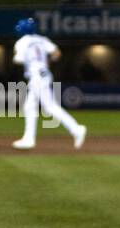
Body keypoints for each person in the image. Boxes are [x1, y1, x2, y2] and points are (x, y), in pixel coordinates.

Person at [10, 17, 87, 150]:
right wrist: (44, 63)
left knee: (49, 107)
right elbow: (56, 53)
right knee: (29, 106)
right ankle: (28, 139)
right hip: (44, 74)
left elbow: (18, 60)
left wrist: (20, 56)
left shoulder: (22, 42)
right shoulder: (42, 39)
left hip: (36, 77)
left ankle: (76, 129)